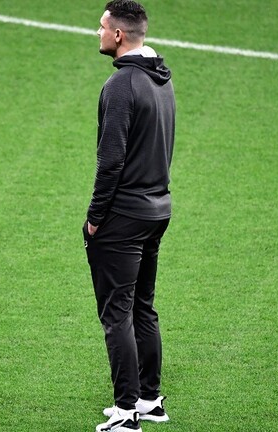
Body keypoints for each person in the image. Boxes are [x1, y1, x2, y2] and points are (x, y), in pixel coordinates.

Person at [83, 1, 176, 432]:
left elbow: (111, 161)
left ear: (118, 35)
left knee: (116, 312)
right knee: (142, 306)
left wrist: (95, 217)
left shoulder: (121, 85)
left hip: (123, 216)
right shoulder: (162, 79)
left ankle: (125, 413)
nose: (98, 32)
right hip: (157, 209)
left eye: (102, 26)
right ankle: (149, 400)